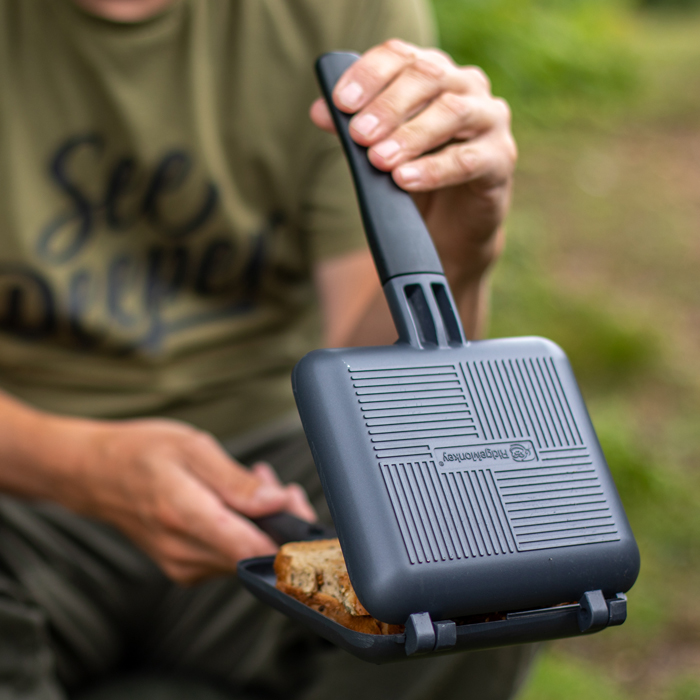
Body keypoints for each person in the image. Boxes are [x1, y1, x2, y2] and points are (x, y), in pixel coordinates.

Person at [0, 0, 529, 698]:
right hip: (22, 483)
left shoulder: (346, 12)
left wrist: (459, 244)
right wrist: (82, 465)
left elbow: (378, 382)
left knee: (482, 556)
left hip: (274, 471)